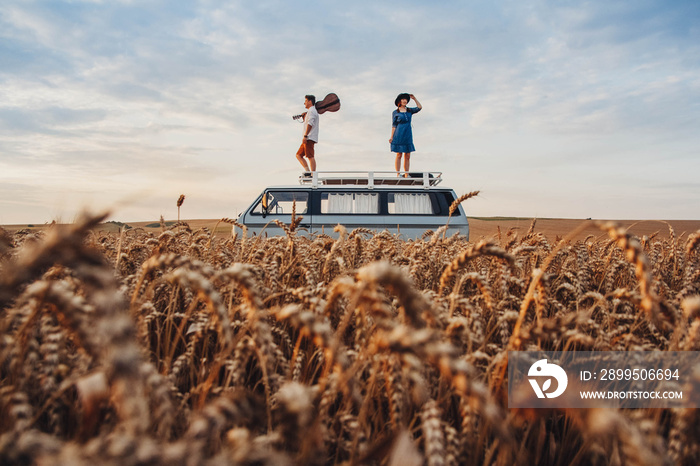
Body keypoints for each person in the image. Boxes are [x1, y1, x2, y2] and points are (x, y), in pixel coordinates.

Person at [389, 93, 422, 176]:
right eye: (403, 99)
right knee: (399, 154)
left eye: (406, 99)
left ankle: (406, 174)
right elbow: (394, 125)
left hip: (408, 134)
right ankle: (398, 173)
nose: (405, 100)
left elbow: (419, 107)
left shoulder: (409, 110)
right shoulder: (395, 112)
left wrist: (414, 98)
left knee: (407, 155)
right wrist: (391, 137)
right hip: (398, 134)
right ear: (399, 101)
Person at [295, 95, 319, 173]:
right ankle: (308, 172)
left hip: (309, 137)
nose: (304, 103)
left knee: (310, 156)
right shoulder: (311, 111)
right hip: (307, 137)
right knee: (298, 155)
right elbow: (308, 122)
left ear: (309, 101)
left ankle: (313, 174)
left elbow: (310, 124)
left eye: (305, 101)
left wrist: (305, 136)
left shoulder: (312, 111)